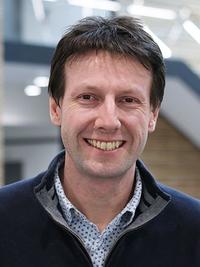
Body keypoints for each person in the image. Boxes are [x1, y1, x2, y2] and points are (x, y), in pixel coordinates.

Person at [0, 16, 199, 267]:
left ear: (152, 115)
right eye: (88, 97)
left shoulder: (194, 231)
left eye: (128, 100)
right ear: (55, 108)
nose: (108, 121)